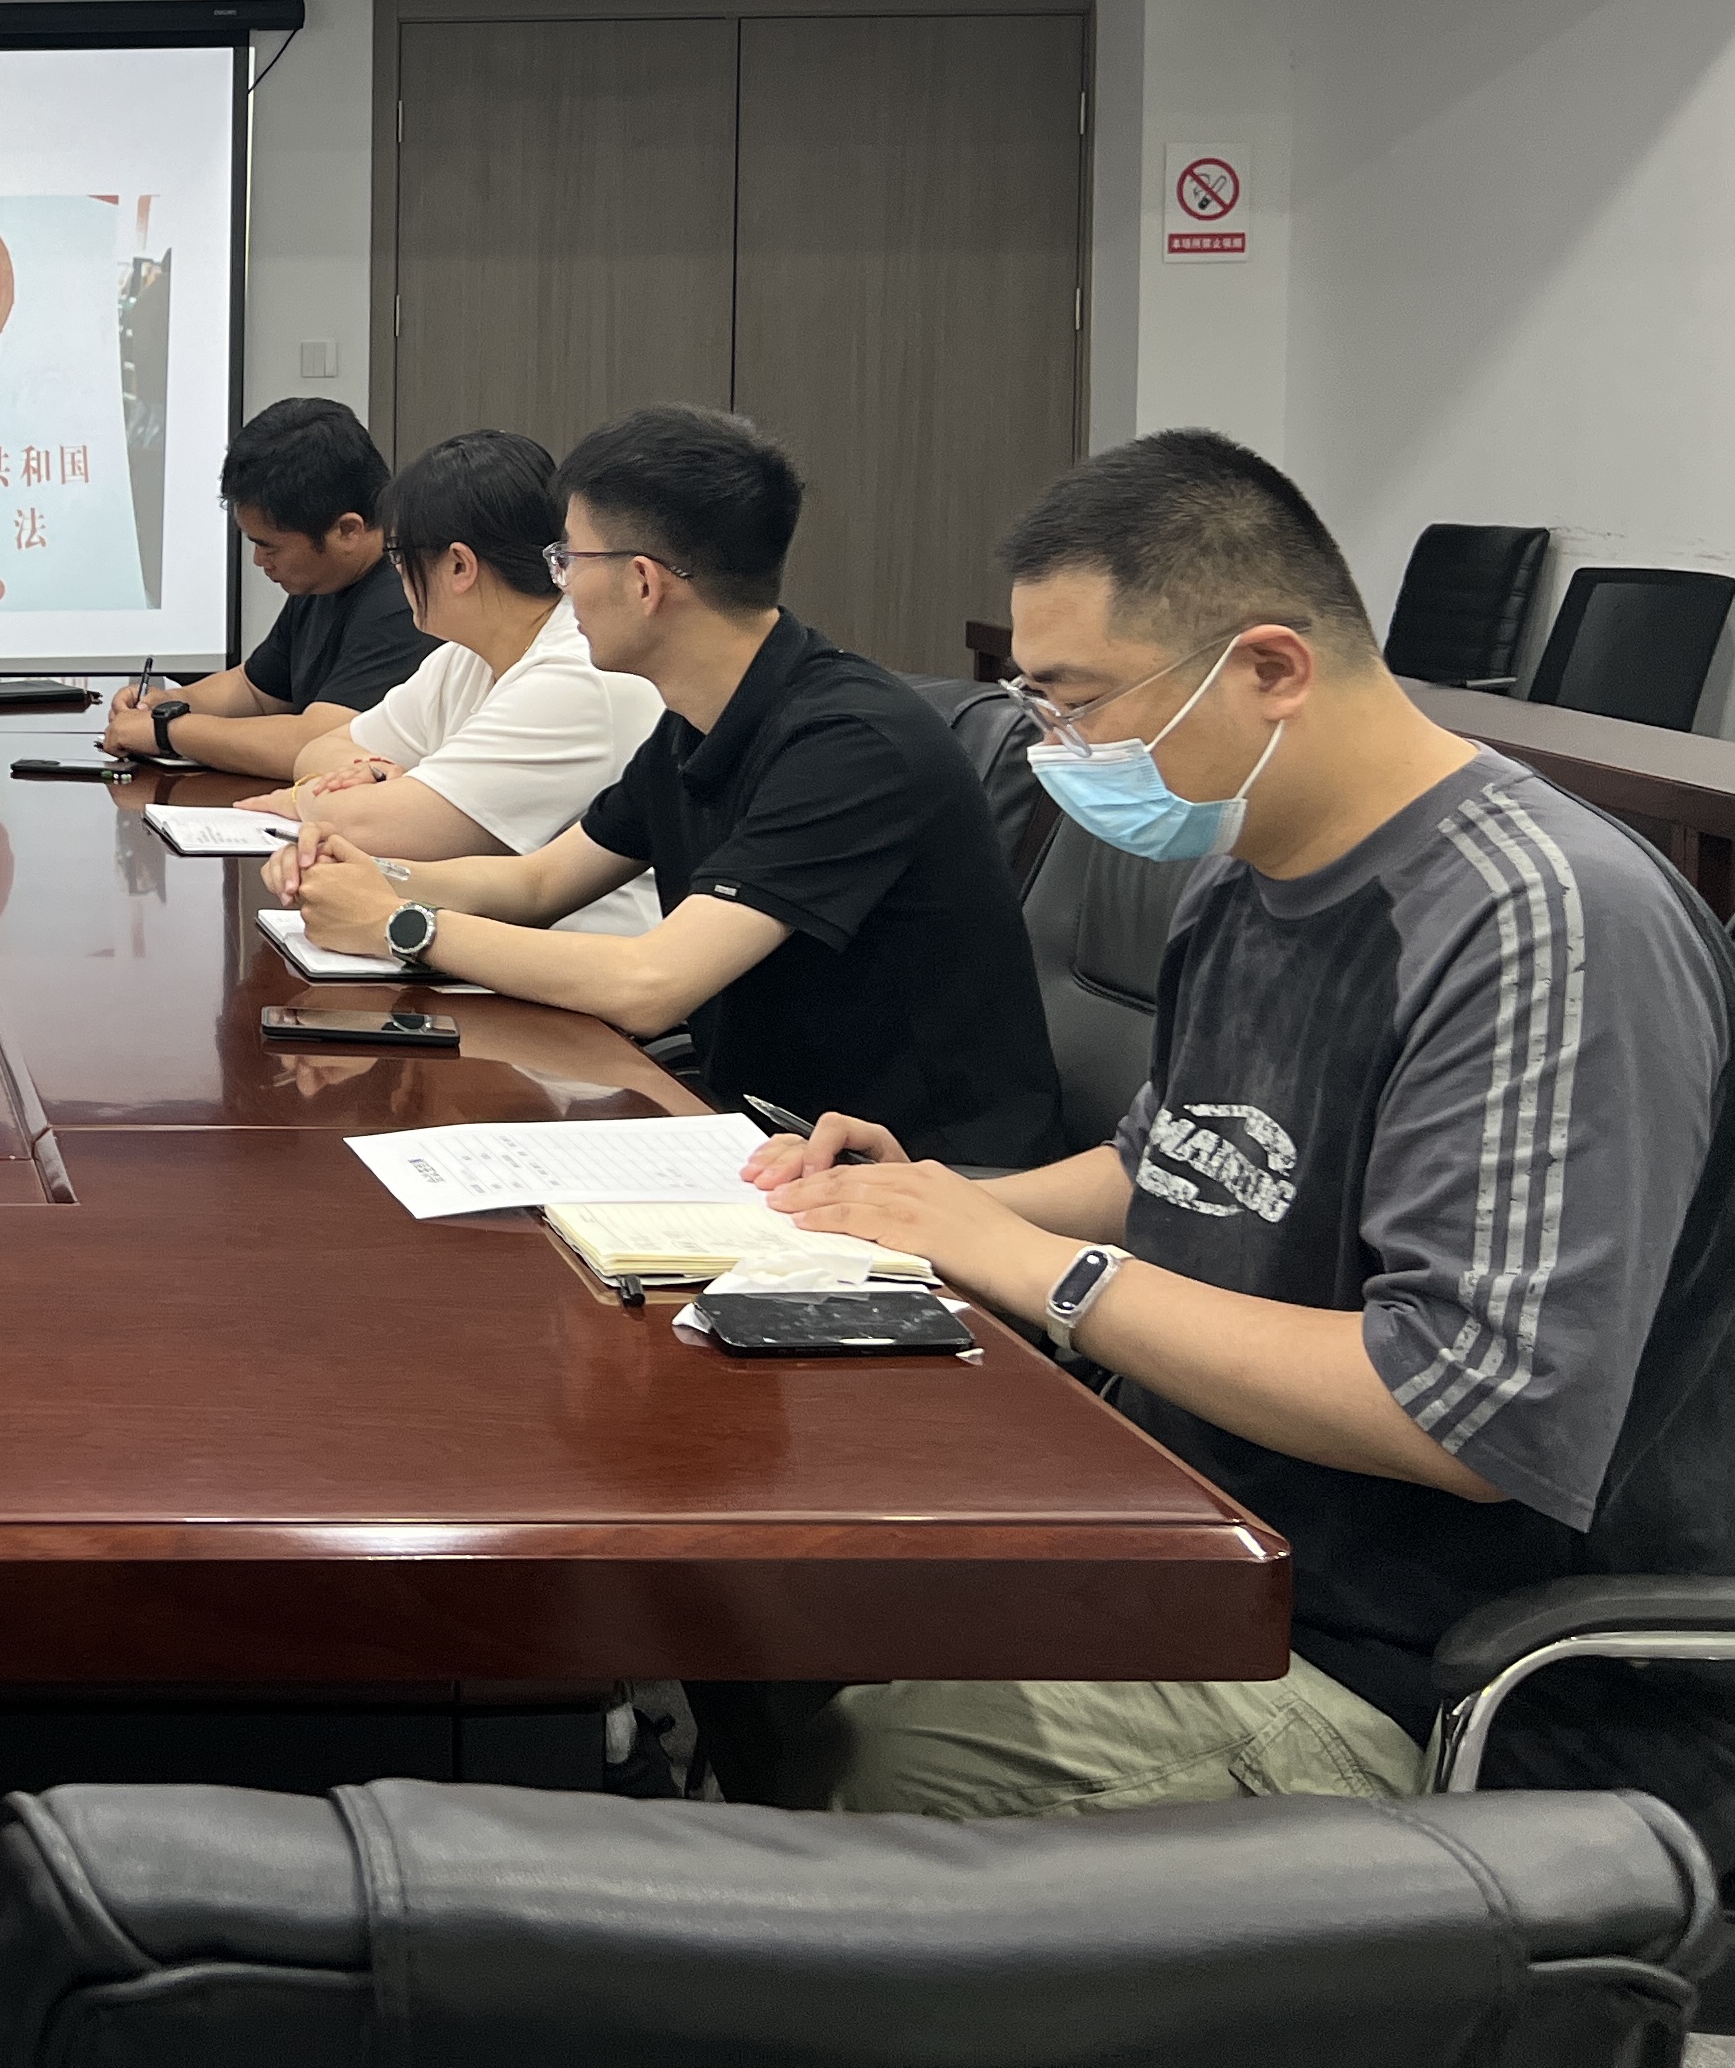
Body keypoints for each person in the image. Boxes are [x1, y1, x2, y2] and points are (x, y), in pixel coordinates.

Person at [729, 429, 1735, 1824]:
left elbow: (1464, 1409)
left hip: (1422, 1675)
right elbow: (1171, 1163)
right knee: (766, 1596)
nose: (1060, 751)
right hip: (1201, 1538)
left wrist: (1049, 1275)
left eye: (1081, 704)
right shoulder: (1246, 870)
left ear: (1269, 668)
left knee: (888, 1757)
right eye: (1037, 708)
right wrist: (932, 1206)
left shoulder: (1543, 922)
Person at [270, 405, 1064, 1163]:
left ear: (644, 582)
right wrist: (370, 877)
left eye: (568, 561)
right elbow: (540, 882)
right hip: (758, 1133)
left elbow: (650, 984)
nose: (559, 588)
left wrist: (400, 924)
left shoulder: (851, 744)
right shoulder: (700, 717)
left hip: (909, 1170)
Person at [242, 429, 664, 937]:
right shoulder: (463, 656)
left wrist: (303, 801)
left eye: (399, 557)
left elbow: (380, 829)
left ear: (460, 565)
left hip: (574, 961)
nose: (397, 577)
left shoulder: (575, 676)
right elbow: (318, 752)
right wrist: (376, 775)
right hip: (487, 940)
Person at [100, 397, 433, 782]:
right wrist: (169, 703)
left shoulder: (408, 600)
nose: (259, 560)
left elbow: (316, 744)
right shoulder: (324, 580)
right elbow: (255, 690)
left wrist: (166, 731)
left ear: (347, 530)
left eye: (270, 546)